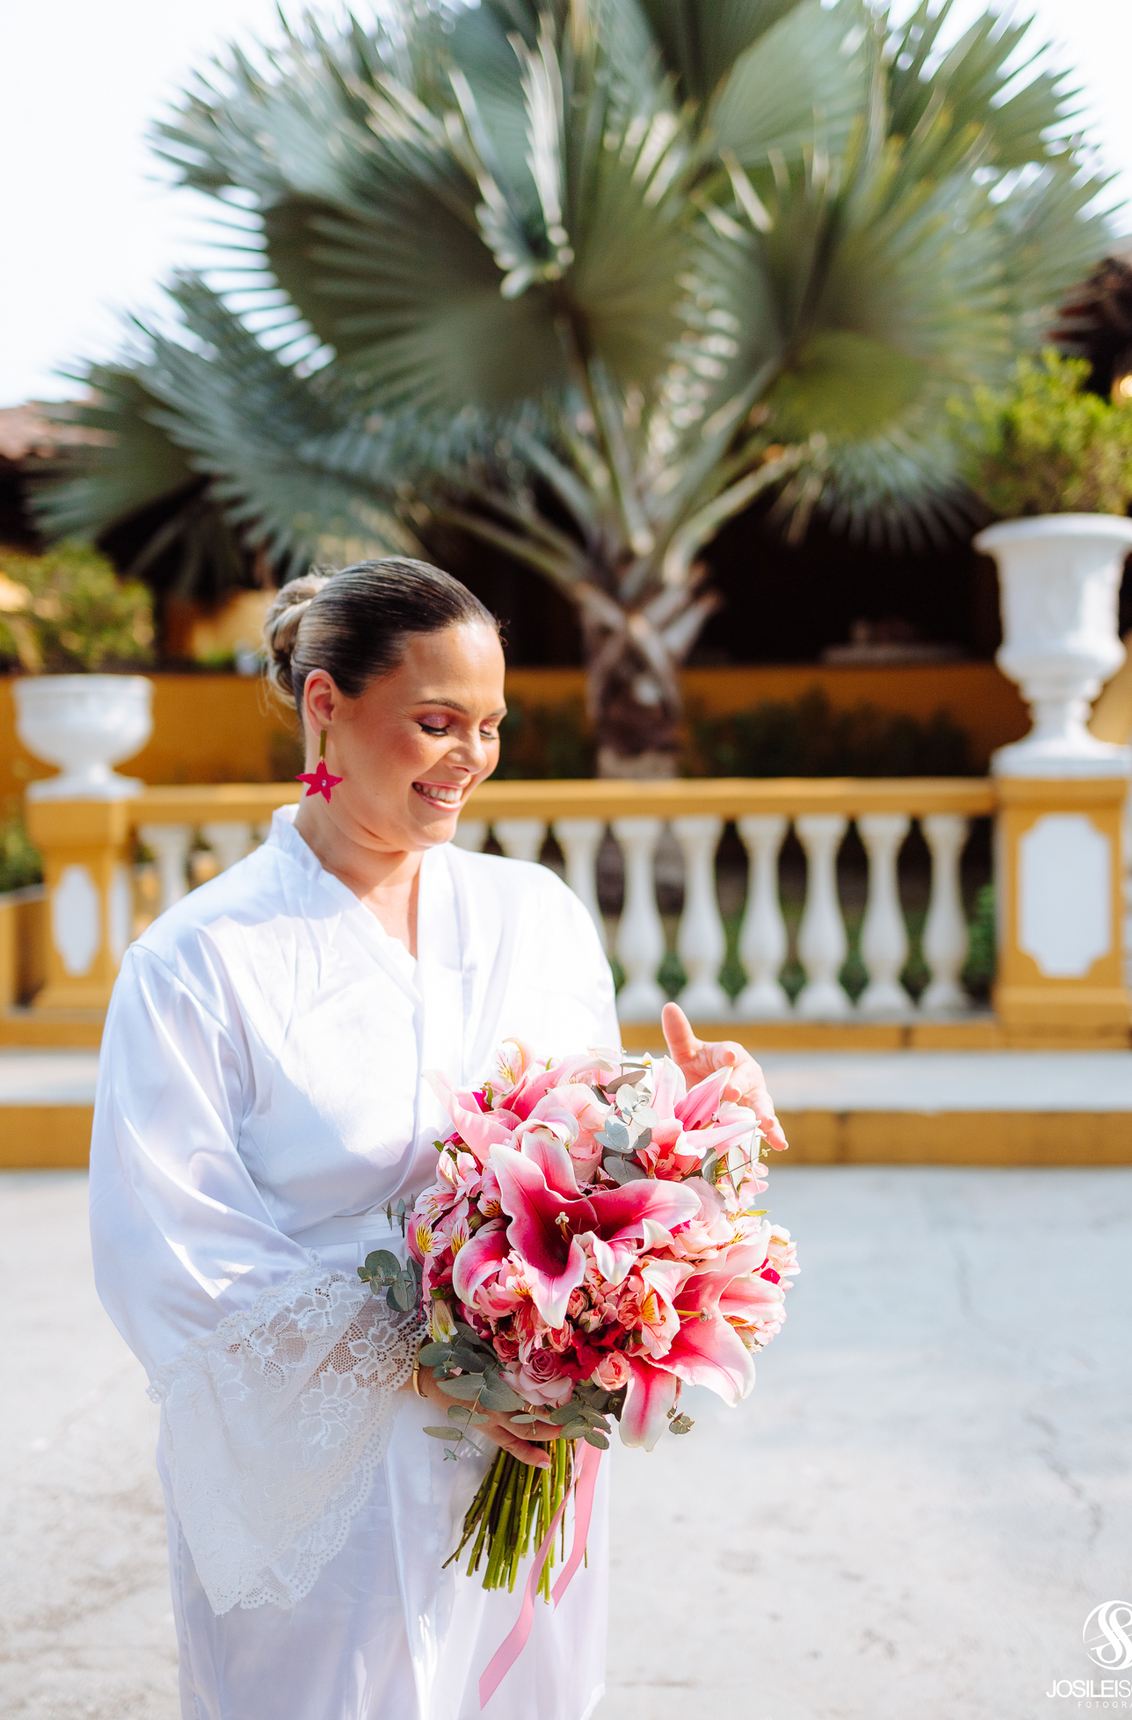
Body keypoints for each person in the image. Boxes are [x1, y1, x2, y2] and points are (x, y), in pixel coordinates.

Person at [89, 558, 785, 1720]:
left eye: (493, 726)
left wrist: (699, 1130)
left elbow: (593, 1148)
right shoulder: (202, 960)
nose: (472, 756)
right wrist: (428, 1358)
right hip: (322, 1479)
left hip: (525, 1451)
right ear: (325, 705)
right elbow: (167, 1247)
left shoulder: (539, 919)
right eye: (436, 722)